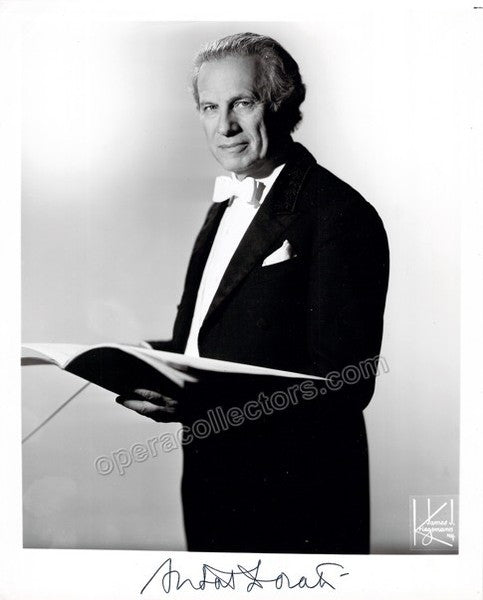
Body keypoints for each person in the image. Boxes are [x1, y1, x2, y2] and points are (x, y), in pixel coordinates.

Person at [116, 32, 389, 554]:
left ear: (282, 103)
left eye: (242, 102)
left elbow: (345, 385)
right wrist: (141, 362)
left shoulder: (339, 213)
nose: (225, 126)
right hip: (211, 484)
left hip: (297, 500)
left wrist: (197, 399)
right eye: (210, 107)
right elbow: (214, 341)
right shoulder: (222, 208)